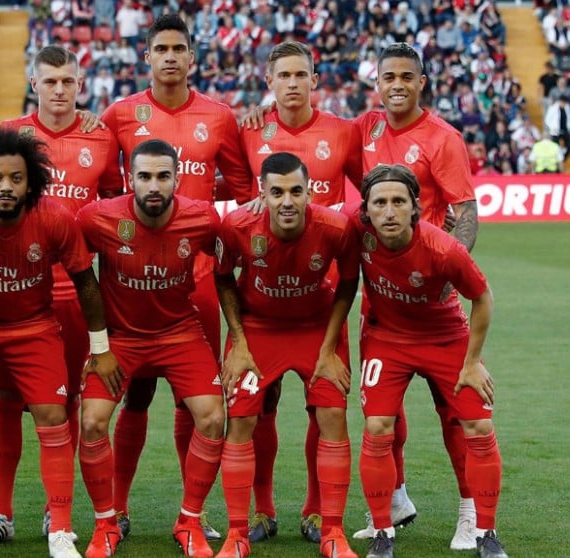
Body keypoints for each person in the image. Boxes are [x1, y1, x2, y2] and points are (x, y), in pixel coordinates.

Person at [0, 127, 120, 558]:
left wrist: (100, 347)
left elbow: (87, 283)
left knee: (52, 415)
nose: (6, 187)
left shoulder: (54, 218)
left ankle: (61, 531)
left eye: (15, 178)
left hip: (33, 328)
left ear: (31, 181)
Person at [99, 14, 254, 539]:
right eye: (160, 47)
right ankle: (117, 507)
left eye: (179, 48)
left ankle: (195, 514)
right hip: (135, 279)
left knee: (198, 398)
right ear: (146, 56)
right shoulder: (120, 114)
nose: (170, 56)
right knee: (135, 396)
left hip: (202, 281)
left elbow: (239, 188)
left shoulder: (220, 116)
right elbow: (104, 194)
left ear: (192, 57)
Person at [0, 44, 124, 548]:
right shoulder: (10, 137)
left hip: (77, 297)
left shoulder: (101, 138)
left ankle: (52, 510)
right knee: (7, 402)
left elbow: (112, 206)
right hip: (18, 295)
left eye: (68, 81)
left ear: (80, 85)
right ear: (33, 85)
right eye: (50, 81)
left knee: (69, 404)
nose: (59, 90)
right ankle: (0, 513)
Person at [352, 42, 483, 551]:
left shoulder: (443, 139)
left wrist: (448, 270)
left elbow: (465, 212)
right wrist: (264, 114)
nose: (398, 85)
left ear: (422, 82)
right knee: (382, 416)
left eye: (408, 76)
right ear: (378, 82)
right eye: (389, 77)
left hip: (433, 308)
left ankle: (472, 514)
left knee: (456, 415)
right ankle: (395, 501)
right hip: (381, 307)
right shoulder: (366, 129)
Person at [76, 139, 226, 558]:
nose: (154, 185)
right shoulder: (98, 218)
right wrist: (97, 344)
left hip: (179, 333)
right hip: (120, 339)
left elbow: (229, 267)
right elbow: (78, 272)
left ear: (178, 178)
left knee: (213, 418)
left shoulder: (202, 219)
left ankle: (190, 522)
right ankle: (106, 522)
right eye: (144, 177)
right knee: (91, 423)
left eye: (163, 176)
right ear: (130, 179)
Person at [237, 40, 361, 546]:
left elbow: (372, 191)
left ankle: (315, 510)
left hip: (321, 293)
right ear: (269, 81)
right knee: (258, 406)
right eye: (282, 75)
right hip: (263, 292)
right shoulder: (246, 129)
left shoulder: (344, 132)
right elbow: (226, 190)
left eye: (300, 74)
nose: (292, 83)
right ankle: (262, 509)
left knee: (325, 407)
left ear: (315, 80)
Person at [354, 164, 507, 558]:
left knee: (477, 423)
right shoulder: (356, 234)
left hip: (445, 338)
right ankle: (383, 532)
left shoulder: (444, 248)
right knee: (377, 425)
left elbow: (483, 297)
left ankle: (486, 532)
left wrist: (472, 362)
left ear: (415, 207)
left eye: (399, 202)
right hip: (387, 339)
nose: (389, 211)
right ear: (366, 210)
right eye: (380, 203)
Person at [215, 152, 359, 558]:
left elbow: (348, 283)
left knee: (331, 413)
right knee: (242, 416)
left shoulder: (335, 228)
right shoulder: (237, 226)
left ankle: (330, 528)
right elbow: (223, 278)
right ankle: (240, 531)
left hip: (316, 328)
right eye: (276, 192)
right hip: (258, 328)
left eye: (296, 191)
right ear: (262, 193)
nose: (287, 201)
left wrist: (329, 349)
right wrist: (238, 342)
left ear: (309, 191)